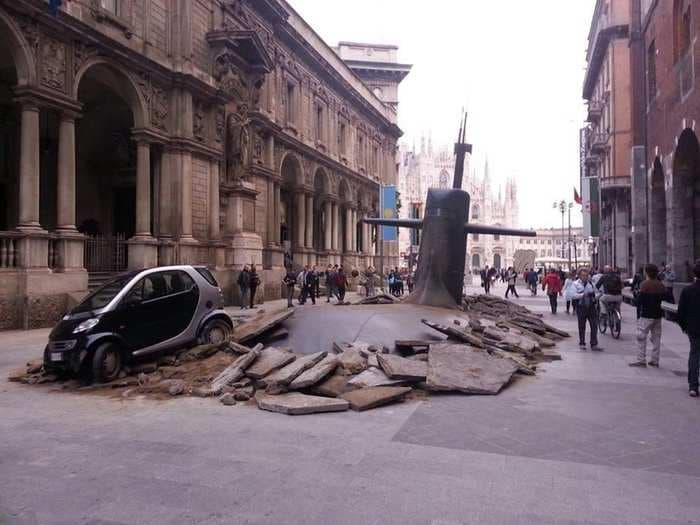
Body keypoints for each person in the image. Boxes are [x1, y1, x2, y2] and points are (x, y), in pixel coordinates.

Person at [631, 264, 666, 368]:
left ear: (647, 272)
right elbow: (665, 297)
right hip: (658, 315)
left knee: (641, 337)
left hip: (646, 315)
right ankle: (655, 360)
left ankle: (641, 360)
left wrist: (636, 297)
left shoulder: (645, 284)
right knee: (656, 338)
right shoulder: (660, 285)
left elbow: (639, 301)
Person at [678, 261, 700, 397]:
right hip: (693, 327)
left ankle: (693, 386)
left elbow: (681, 312)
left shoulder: (687, 290)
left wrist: (684, 326)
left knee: (694, 355)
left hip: (694, 328)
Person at [571, 268, 603, 351]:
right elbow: (573, 295)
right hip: (581, 307)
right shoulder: (575, 284)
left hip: (591, 307)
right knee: (582, 326)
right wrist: (582, 295)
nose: (585, 277)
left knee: (594, 325)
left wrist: (598, 296)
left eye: (586, 275)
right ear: (579, 276)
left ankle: (594, 344)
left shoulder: (591, 284)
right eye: (583, 275)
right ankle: (582, 343)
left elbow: (596, 293)